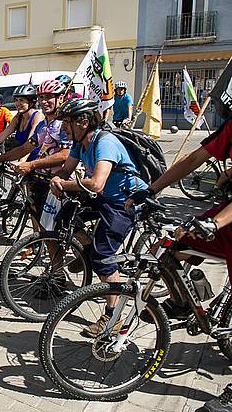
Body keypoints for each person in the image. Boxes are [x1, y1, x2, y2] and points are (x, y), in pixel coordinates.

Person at [127, 109, 232, 412]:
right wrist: (151, 189)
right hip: (225, 216)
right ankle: (183, 302)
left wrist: (215, 223)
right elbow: (193, 160)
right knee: (172, 246)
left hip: (226, 219)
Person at [49, 98, 148, 337]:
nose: (63, 128)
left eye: (67, 123)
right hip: (105, 197)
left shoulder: (105, 142)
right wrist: (57, 178)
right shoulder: (79, 143)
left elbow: (95, 184)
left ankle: (113, 316)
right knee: (65, 216)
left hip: (126, 201)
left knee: (103, 255)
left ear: (83, 122)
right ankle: (86, 253)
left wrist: (65, 183)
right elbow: (66, 171)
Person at [0, 79, 73, 224]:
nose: (44, 102)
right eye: (41, 97)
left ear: (60, 98)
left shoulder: (64, 124)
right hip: (41, 181)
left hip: (60, 184)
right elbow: (25, 148)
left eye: (48, 97)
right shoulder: (43, 125)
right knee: (40, 224)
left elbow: (65, 155)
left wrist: (32, 164)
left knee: (60, 231)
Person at [0, 84, 43, 159]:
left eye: (21, 100)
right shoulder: (18, 117)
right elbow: (3, 135)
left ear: (31, 102)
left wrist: (21, 161)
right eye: (16, 100)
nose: (17, 103)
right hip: (21, 158)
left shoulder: (37, 116)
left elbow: (29, 144)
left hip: (36, 161)